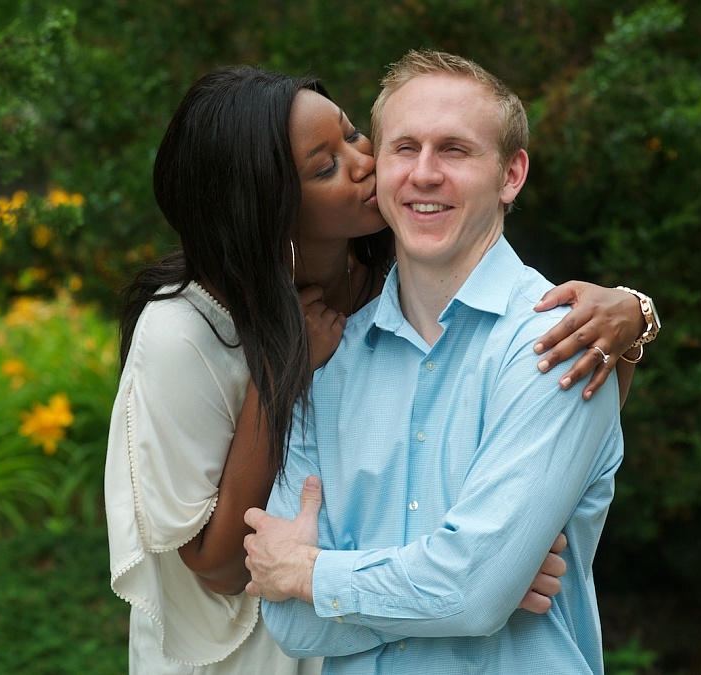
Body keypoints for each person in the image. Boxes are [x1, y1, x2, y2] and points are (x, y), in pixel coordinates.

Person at [105, 65, 648, 674]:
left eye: (355, 136)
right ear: (274, 209)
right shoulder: (272, 347)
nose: (381, 167)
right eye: (328, 165)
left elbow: (472, 587)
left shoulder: (534, 325)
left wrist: (634, 312)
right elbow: (266, 596)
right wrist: (456, 581)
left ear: (511, 173)